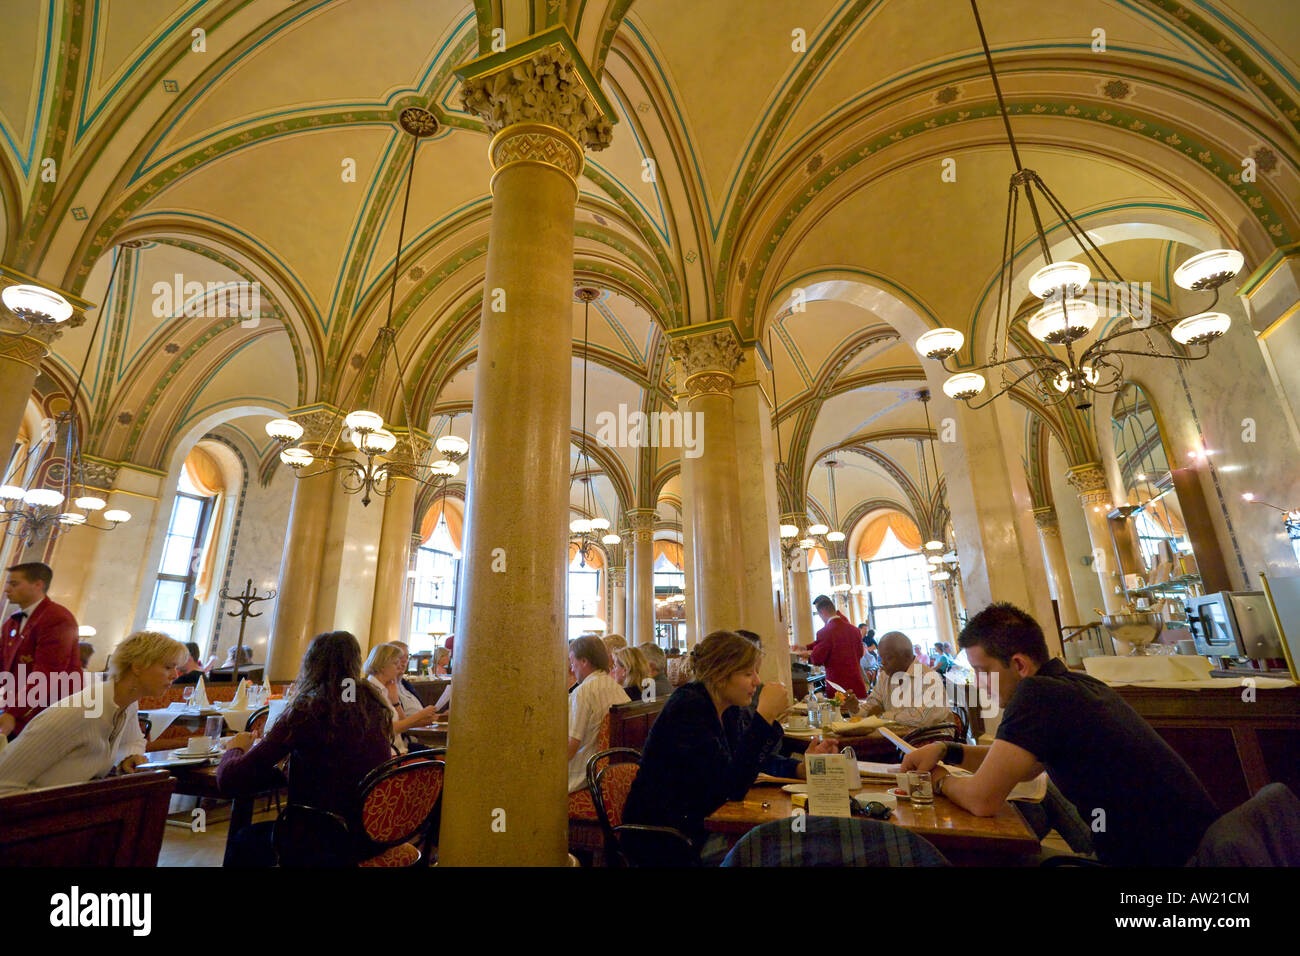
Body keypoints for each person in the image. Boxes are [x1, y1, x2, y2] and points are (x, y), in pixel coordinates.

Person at [901, 603, 1221, 866]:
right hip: (1194, 850)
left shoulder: (1037, 694)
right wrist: (947, 750)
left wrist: (938, 779)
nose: (980, 683)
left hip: (1162, 863)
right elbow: (1024, 767)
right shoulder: (1074, 684)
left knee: (983, 859)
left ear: (1019, 664)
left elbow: (982, 800)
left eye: (983, 671)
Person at [623, 630, 831, 862]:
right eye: (748, 673)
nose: (757, 681)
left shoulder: (727, 708)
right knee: (786, 848)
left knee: (799, 841)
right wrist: (764, 718)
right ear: (720, 675)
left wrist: (798, 768)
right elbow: (732, 786)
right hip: (670, 839)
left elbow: (745, 760)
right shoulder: (688, 708)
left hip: (703, 824)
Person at [218, 630, 395, 866]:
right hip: (371, 834)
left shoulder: (309, 709)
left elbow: (230, 779)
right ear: (356, 662)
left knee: (243, 840)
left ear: (311, 664)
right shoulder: (373, 705)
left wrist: (235, 748)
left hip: (324, 839)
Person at [0, 630, 186, 795]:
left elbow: (133, 741)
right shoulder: (79, 712)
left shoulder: (127, 704)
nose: (175, 675)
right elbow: (4, 781)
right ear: (137, 666)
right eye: (168, 667)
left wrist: (128, 758)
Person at [0, 562, 83, 739]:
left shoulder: (57, 618)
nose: (7, 589)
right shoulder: (11, 622)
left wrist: (13, 712)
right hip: (16, 709)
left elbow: (47, 674)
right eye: (8, 583)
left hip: (47, 713)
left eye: (14, 584)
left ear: (38, 585)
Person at [566, 635, 628, 793]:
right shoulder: (616, 688)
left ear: (584, 661)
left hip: (584, 777)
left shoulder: (583, 692)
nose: (572, 669)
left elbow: (571, 746)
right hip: (611, 771)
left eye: (572, 662)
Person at [860, 631, 952, 728]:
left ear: (907, 656)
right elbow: (873, 703)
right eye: (881, 657)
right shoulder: (885, 676)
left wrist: (883, 715)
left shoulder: (929, 678)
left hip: (930, 736)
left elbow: (920, 719)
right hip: (896, 735)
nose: (882, 662)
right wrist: (856, 710)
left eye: (888, 658)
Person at [364, 643, 438, 754]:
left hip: (401, 751)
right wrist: (421, 714)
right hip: (390, 756)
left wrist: (395, 702)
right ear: (382, 665)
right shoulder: (369, 691)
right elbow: (389, 729)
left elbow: (403, 724)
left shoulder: (385, 688)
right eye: (395, 663)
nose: (399, 667)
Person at [802, 595, 866, 697]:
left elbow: (817, 659)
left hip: (838, 687)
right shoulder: (855, 630)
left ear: (822, 612)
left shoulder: (824, 632)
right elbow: (860, 653)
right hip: (857, 684)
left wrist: (808, 655)